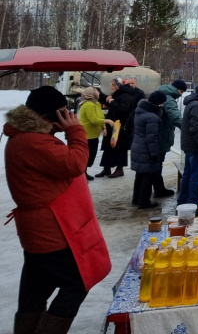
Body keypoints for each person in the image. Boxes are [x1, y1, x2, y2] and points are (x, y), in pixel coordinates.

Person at [5, 87, 111, 334]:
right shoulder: (33, 141)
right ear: (51, 114)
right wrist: (75, 131)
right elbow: (75, 163)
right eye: (64, 111)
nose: (69, 116)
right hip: (52, 231)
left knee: (35, 292)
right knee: (77, 282)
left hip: (39, 231)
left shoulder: (28, 136)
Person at [130, 90, 166, 209]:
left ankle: (136, 199)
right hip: (146, 149)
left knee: (140, 174)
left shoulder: (140, 111)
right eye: (162, 103)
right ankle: (144, 202)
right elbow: (152, 138)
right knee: (149, 175)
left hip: (137, 147)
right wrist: (154, 154)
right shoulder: (152, 117)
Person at [96, 77, 138, 178]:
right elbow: (115, 105)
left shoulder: (127, 95)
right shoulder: (119, 93)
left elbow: (123, 109)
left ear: (119, 85)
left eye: (113, 85)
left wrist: (112, 101)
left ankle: (119, 169)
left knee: (120, 147)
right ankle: (106, 168)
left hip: (121, 126)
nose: (111, 87)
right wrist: (107, 100)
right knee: (108, 146)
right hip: (113, 124)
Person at [153, 79, 187, 197]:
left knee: (155, 163)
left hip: (157, 134)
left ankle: (157, 188)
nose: (181, 95)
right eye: (181, 91)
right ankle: (159, 189)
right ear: (177, 89)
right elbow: (175, 116)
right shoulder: (169, 98)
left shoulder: (162, 93)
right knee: (158, 163)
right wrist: (187, 128)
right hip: (161, 134)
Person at [77, 86, 113, 181]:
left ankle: (84, 172)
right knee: (86, 155)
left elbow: (100, 116)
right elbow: (93, 120)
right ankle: (82, 174)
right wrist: (108, 121)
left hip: (94, 135)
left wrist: (104, 127)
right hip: (87, 135)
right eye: (96, 91)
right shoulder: (88, 105)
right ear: (91, 94)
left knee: (91, 155)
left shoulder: (96, 103)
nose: (98, 92)